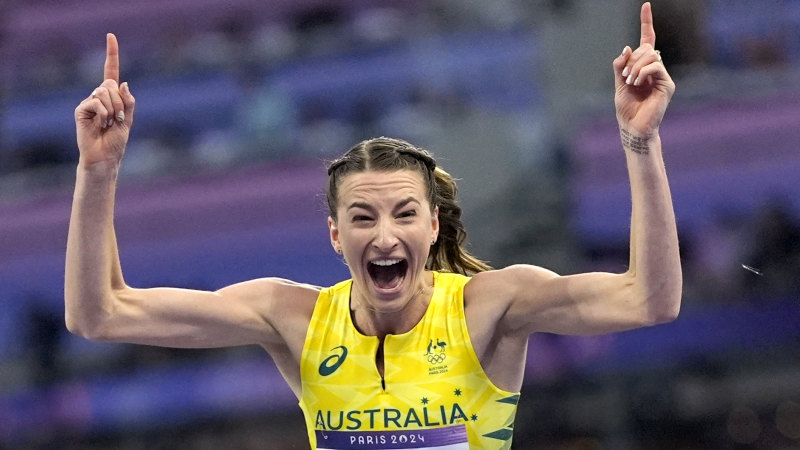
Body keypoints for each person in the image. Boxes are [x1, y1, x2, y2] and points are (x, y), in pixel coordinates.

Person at [66, 3, 680, 448]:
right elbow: (100, 314)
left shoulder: (490, 307)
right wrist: (98, 173)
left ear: (434, 226)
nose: (385, 236)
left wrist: (639, 139)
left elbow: (649, 299)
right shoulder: (294, 318)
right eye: (362, 217)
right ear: (336, 235)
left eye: (405, 213)